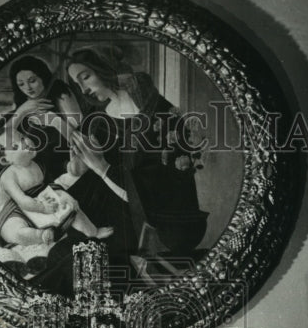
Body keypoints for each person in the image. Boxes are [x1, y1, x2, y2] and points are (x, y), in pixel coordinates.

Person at [64, 46, 208, 279]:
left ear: (107, 69)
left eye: (86, 77)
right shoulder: (99, 117)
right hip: (115, 216)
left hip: (160, 226)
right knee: (68, 255)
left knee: (90, 265)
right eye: (77, 83)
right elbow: (78, 168)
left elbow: (149, 195)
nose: (83, 89)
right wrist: (81, 156)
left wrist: (100, 167)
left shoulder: (159, 115)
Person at [0, 124, 113, 250]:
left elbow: (51, 186)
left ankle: (93, 232)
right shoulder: (8, 177)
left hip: (40, 201)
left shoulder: (37, 164)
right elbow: (22, 201)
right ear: (5, 160)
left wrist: (66, 197)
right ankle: (40, 235)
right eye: (15, 147)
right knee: (15, 231)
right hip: (13, 212)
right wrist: (43, 208)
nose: (25, 143)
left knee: (72, 207)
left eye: (22, 138)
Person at [5, 54, 82, 180]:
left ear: (43, 77)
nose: (27, 88)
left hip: (62, 162)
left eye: (32, 81)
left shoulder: (59, 91)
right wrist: (22, 110)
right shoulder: (22, 101)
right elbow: (5, 135)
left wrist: (55, 121)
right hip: (31, 163)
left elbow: (79, 139)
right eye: (21, 84)